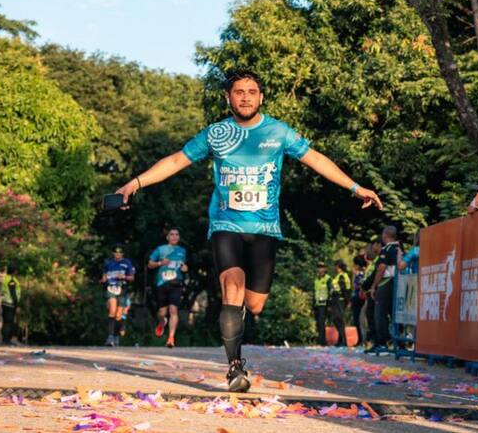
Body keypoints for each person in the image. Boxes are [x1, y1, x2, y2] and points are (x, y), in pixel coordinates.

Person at [115, 68, 383, 392]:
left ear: (261, 97)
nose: (245, 97)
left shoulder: (278, 132)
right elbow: (175, 161)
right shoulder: (216, 134)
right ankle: (234, 367)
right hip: (226, 224)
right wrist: (135, 182)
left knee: (254, 305)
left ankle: (237, 321)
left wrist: (356, 188)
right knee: (231, 286)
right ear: (228, 98)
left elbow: (316, 160)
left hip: (265, 229)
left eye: (251, 92)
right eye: (238, 92)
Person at [148, 228, 188, 348]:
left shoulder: (182, 251)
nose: (174, 237)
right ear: (167, 237)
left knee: (173, 309)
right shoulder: (161, 249)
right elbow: (150, 264)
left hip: (176, 283)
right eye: (172, 234)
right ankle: (162, 322)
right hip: (162, 283)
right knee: (162, 312)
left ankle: (171, 338)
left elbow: (183, 266)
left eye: (177, 234)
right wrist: (160, 263)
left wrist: (185, 268)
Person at [367, 226, 402, 351]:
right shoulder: (399, 248)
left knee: (380, 314)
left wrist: (374, 286)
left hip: (386, 283)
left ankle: (381, 343)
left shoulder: (386, 249)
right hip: (398, 283)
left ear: (385, 235)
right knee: (395, 313)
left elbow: (381, 268)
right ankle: (399, 342)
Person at [101, 246, 135, 347]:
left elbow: (132, 277)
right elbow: (104, 275)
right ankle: (110, 336)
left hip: (122, 289)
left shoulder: (127, 263)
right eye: (116, 252)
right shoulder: (108, 263)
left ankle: (116, 336)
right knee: (112, 310)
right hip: (111, 288)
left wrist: (124, 276)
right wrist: (103, 278)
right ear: (113, 253)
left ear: (123, 254)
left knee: (119, 315)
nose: (118, 254)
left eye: (120, 252)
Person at [361, 241, 382, 349]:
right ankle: (374, 341)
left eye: (368, 250)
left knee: (374, 317)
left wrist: (364, 285)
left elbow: (373, 276)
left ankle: (377, 342)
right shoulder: (372, 264)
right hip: (369, 293)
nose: (367, 253)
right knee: (369, 317)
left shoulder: (378, 261)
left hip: (375, 292)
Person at [328, 260, 351, 347]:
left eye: (335, 266)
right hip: (336, 300)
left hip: (340, 300)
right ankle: (340, 340)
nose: (334, 267)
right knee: (336, 319)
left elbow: (344, 289)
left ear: (338, 266)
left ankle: (343, 341)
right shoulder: (338, 276)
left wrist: (348, 301)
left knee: (338, 319)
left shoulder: (342, 276)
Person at [0, 263, 21, 346]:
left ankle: (6, 340)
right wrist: (17, 305)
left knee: (7, 322)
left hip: (6, 303)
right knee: (8, 322)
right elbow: (13, 293)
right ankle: (6, 341)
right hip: (10, 304)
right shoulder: (11, 280)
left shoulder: (6, 278)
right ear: (14, 271)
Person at [350, 255, 367, 347]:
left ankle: (363, 339)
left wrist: (355, 275)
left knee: (361, 319)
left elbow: (359, 284)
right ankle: (360, 339)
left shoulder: (363, 273)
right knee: (357, 319)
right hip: (356, 297)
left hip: (360, 297)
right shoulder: (358, 273)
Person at [313, 262, 331, 346]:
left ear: (325, 269)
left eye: (321, 267)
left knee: (321, 323)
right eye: (318, 267)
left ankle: (322, 341)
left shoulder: (328, 279)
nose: (320, 269)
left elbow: (330, 291)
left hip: (324, 304)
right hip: (317, 304)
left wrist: (330, 304)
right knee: (318, 323)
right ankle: (320, 340)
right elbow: (315, 292)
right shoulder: (316, 279)